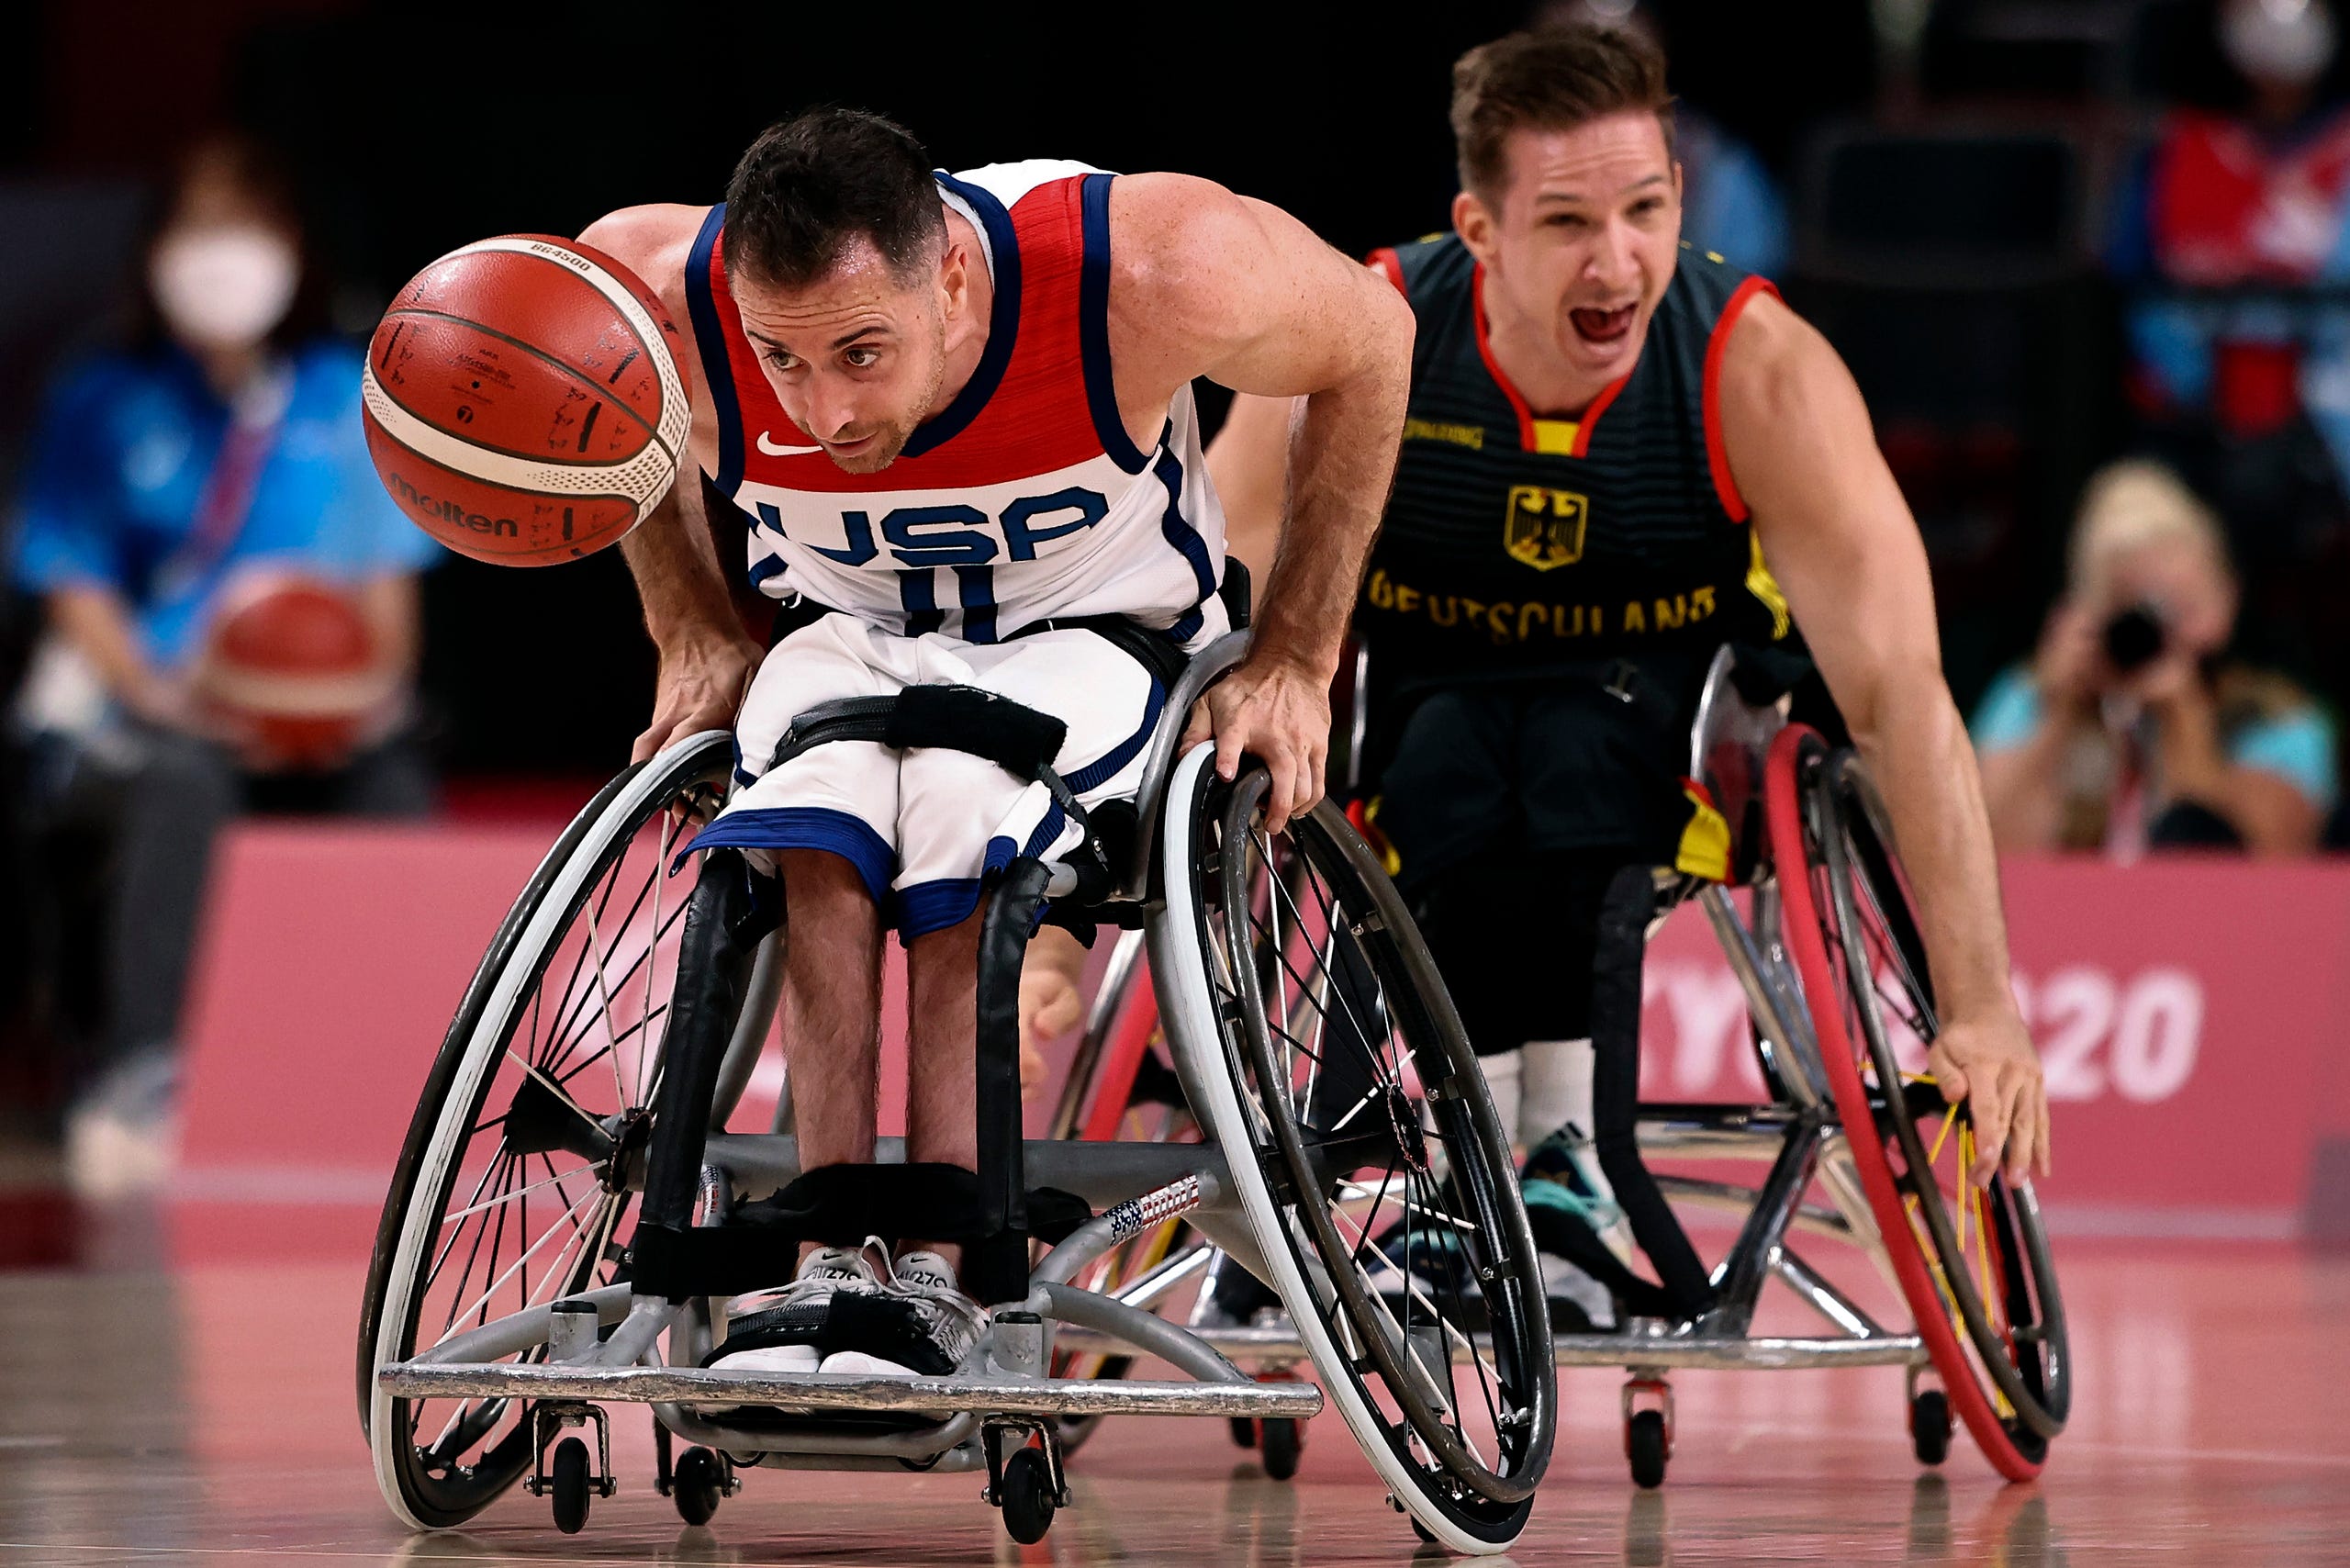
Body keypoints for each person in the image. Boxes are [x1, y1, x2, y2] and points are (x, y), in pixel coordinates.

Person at [1197, 24, 2049, 1321]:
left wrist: (1979, 1003)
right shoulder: (1363, 336)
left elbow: (1900, 699)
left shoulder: (1756, 369)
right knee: (1443, 759)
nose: (1621, 260)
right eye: (1570, 223)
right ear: (1477, 231)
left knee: (1575, 754)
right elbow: (1217, 614)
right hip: (1411, 710)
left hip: (1661, 717)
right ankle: (1481, 1162)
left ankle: (1556, 1160)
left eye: (1647, 210)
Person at [579, 108, 1408, 1372]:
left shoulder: (1148, 270)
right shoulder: (653, 295)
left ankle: (941, 1263)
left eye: (862, 352)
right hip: (850, 630)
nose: (823, 411)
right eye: (782, 362)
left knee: (967, 803)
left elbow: (1373, 340)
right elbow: (600, 405)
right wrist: (689, 623)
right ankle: (822, 1262)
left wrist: (1298, 656)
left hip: (1097, 632)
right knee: (818, 814)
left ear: (954, 278)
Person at [9, 133, 441, 1196]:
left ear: (293, 249)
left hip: (311, 723)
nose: (223, 255)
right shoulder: (100, 395)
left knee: (394, 784)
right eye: (199, 227)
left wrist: (353, 698)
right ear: (157, 250)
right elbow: (72, 578)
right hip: (151, 712)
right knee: (177, 782)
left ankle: (413, 1082)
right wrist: (160, 695)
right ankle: (141, 1072)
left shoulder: (348, 394)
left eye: (246, 227)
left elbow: (388, 594)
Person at [1975, 458, 2336, 855]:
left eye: (2180, 606)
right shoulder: (2030, 699)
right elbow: (1990, 857)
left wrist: (2183, 716)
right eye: (2132, 609)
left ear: (2226, 598)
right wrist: (2060, 715)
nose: (2157, 632)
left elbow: (2252, 861)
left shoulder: (2275, 718)